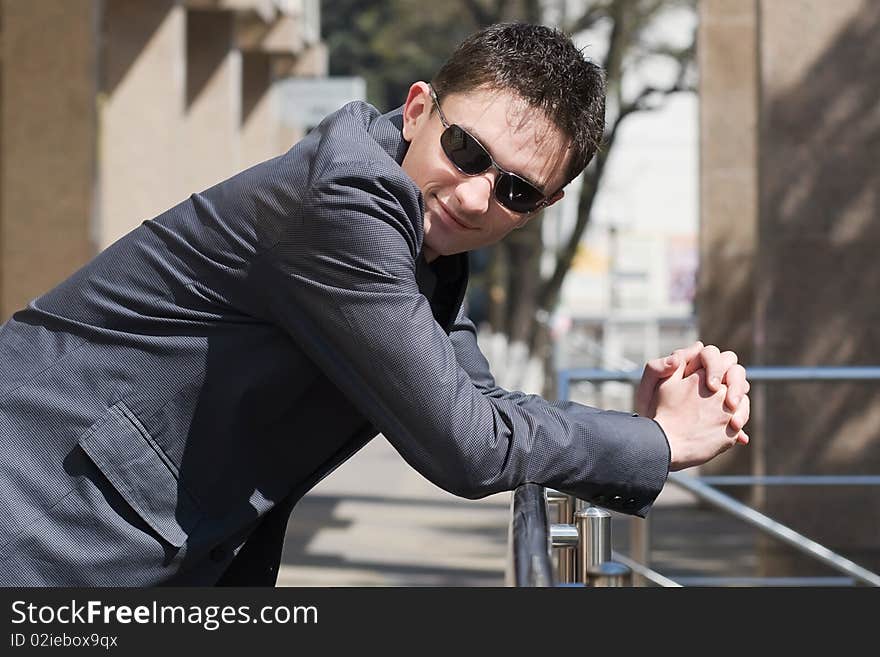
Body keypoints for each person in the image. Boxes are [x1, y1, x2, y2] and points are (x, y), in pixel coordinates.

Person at [0, 23, 749, 586]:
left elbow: (477, 400)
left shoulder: (425, 238)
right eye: (466, 150)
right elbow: (467, 444)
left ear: (541, 207)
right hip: (37, 518)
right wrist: (659, 443)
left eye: (516, 189)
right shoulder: (347, 204)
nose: (476, 193)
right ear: (419, 108)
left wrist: (637, 422)